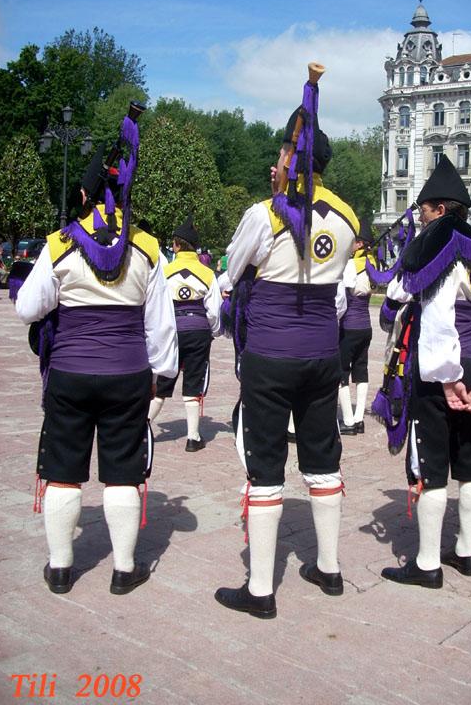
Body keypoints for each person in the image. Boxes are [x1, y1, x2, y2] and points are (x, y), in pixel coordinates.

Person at [15, 117, 178, 597]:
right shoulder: (149, 250)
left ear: (85, 197)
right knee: (122, 471)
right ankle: (124, 570)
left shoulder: (61, 243)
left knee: (64, 469)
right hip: (128, 375)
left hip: (69, 373)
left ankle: (61, 568)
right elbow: (160, 325)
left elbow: (28, 309)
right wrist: (162, 375)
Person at [214, 83, 359, 619]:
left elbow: (233, 272)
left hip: (271, 356)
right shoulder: (347, 218)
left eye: (280, 152)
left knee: (266, 467)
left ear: (289, 156)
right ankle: (329, 568)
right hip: (322, 354)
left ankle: (259, 591)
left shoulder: (266, 214)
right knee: (323, 460)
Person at [380, 155, 471, 589]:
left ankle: (428, 564)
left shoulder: (438, 240)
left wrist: (449, 376)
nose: (418, 216)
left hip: (441, 371)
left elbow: (435, 316)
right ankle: (466, 553)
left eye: (422, 209)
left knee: (432, 463)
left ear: (437, 208)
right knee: (468, 457)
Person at [148, 216, 222, 451]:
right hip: (198, 329)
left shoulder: (165, 271)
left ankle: (143, 426)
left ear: (176, 245)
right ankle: (193, 438)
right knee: (193, 382)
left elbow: (155, 305)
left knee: (163, 382)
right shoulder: (207, 273)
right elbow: (214, 311)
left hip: (172, 329)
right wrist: (212, 331)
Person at [338, 218, 375, 435]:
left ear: (359, 243)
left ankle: (349, 420)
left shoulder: (352, 265)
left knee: (342, 371)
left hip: (349, 326)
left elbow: (343, 297)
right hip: (366, 327)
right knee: (361, 370)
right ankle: (359, 418)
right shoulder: (373, 264)